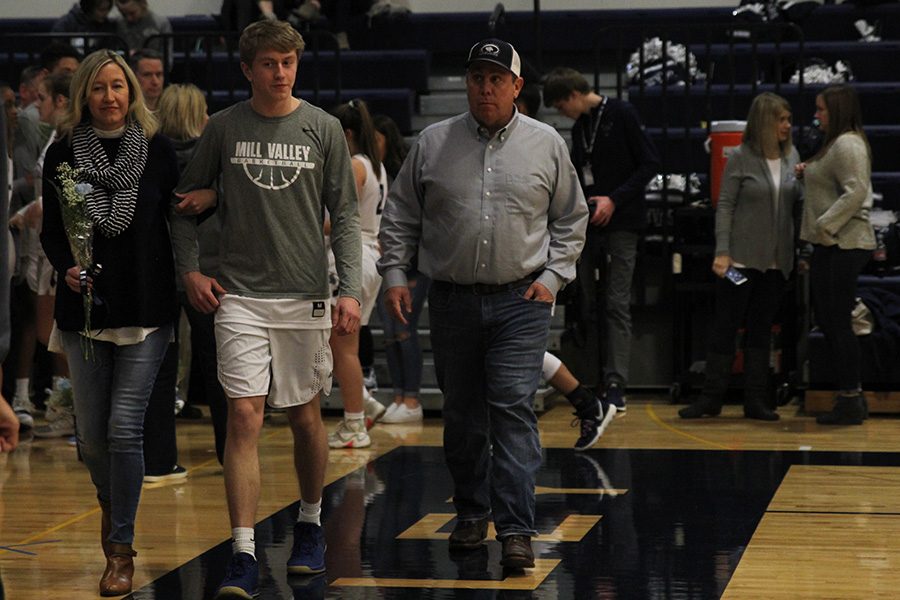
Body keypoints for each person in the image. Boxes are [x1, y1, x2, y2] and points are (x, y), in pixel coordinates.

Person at [378, 38, 587, 569]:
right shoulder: (432, 143)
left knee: (513, 410)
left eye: (497, 78)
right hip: (450, 300)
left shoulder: (547, 144)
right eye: (477, 77)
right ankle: (473, 511)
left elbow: (571, 218)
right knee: (464, 417)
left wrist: (555, 276)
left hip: (522, 300)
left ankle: (516, 527)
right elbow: (400, 215)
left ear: (518, 86)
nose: (486, 87)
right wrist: (396, 275)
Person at [169, 20, 361, 598]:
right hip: (241, 297)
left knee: (306, 418)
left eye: (288, 63)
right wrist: (191, 273)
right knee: (245, 417)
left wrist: (349, 288)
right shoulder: (224, 128)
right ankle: (243, 550)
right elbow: (181, 207)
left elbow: (346, 216)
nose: (280, 73)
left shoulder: (323, 128)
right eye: (269, 63)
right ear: (248, 69)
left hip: (304, 293)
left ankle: (308, 523)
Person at [40, 49, 179, 595]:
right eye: (99, 88)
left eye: (118, 86)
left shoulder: (159, 151)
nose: (110, 97)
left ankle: (119, 550)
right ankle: (112, 500)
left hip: (147, 310)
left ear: (133, 93)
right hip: (86, 313)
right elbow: (53, 228)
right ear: (84, 96)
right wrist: (65, 268)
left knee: (124, 428)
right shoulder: (62, 156)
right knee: (92, 440)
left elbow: (178, 219)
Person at [542, 67, 660, 416]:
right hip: (590, 224)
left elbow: (650, 162)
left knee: (616, 302)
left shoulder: (621, 113)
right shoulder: (581, 128)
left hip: (622, 221)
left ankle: (616, 382)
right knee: (589, 303)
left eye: (562, 107)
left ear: (573, 97)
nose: (563, 114)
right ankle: (594, 377)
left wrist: (615, 198)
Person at [678, 92, 801, 421]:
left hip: (776, 264)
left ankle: (755, 401)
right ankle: (711, 398)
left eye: (789, 120)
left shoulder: (792, 158)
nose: (788, 126)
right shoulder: (741, 157)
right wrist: (722, 252)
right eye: (781, 120)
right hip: (740, 263)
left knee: (761, 330)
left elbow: (798, 202)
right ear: (765, 122)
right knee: (726, 326)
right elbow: (726, 207)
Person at [796, 84, 875, 426]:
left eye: (822, 109)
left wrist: (825, 224)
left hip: (845, 242)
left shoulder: (847, 143)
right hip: (831, 243)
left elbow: (856, 189)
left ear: (838, 110)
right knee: (829, 320)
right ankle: (849, 396)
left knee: (838, 321)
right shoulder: (835, 143)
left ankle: (851, 399)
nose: (817, 115)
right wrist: (808, 173)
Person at [157, 83, 228, 465]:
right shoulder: (215, 158)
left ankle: (161, 456)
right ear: (200, 115)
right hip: (210, 270)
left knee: (160, 364)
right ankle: (229, 451)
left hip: (161, 270)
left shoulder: (151, 156)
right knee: (218, 367)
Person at [326, 98, 386, 448]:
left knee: (342, 347)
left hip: (350, 255)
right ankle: (364, 403)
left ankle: (354, 425)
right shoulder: (377, 166)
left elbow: (339, 220)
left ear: (346, 133)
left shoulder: (354, 165)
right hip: (370, 255)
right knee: (341, 344)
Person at [370, 114, 428, 425]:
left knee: (405, 328)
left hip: (415, 263)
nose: (372, 146)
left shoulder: (403, 171)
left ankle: (412, 397)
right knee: (390, 332)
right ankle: (397, 395)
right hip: (388, 261)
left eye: (377, 140)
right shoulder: (374, 170)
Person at [52, 0, 118, 52]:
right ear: (89, 8)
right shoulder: (65, 24)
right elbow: (58, 52)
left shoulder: (107, 25)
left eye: (108, 9)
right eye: (101, 10)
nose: (105, 13)